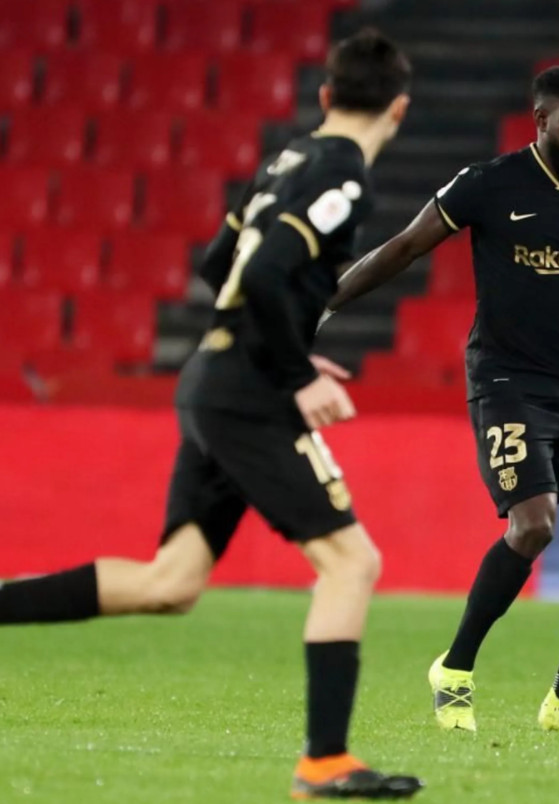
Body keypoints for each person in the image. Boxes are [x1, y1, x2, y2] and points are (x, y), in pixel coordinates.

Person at [0, 29, 423, 800]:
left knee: (173, 582)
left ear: (325, 96)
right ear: (398, 109)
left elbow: (214, 266)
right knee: (351, 563)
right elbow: (261, 275)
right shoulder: (342, 175)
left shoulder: (281, 162)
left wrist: (278, 346)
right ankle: (324, 761)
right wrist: (294, 372)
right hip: (249, 390)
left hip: (215, 376)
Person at [323, 65, 559, 735]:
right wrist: (322, 303)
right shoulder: (487, 184)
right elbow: (406, 246)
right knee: (533, 525)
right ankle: (456, 670)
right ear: (542, 120)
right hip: (505, 382)